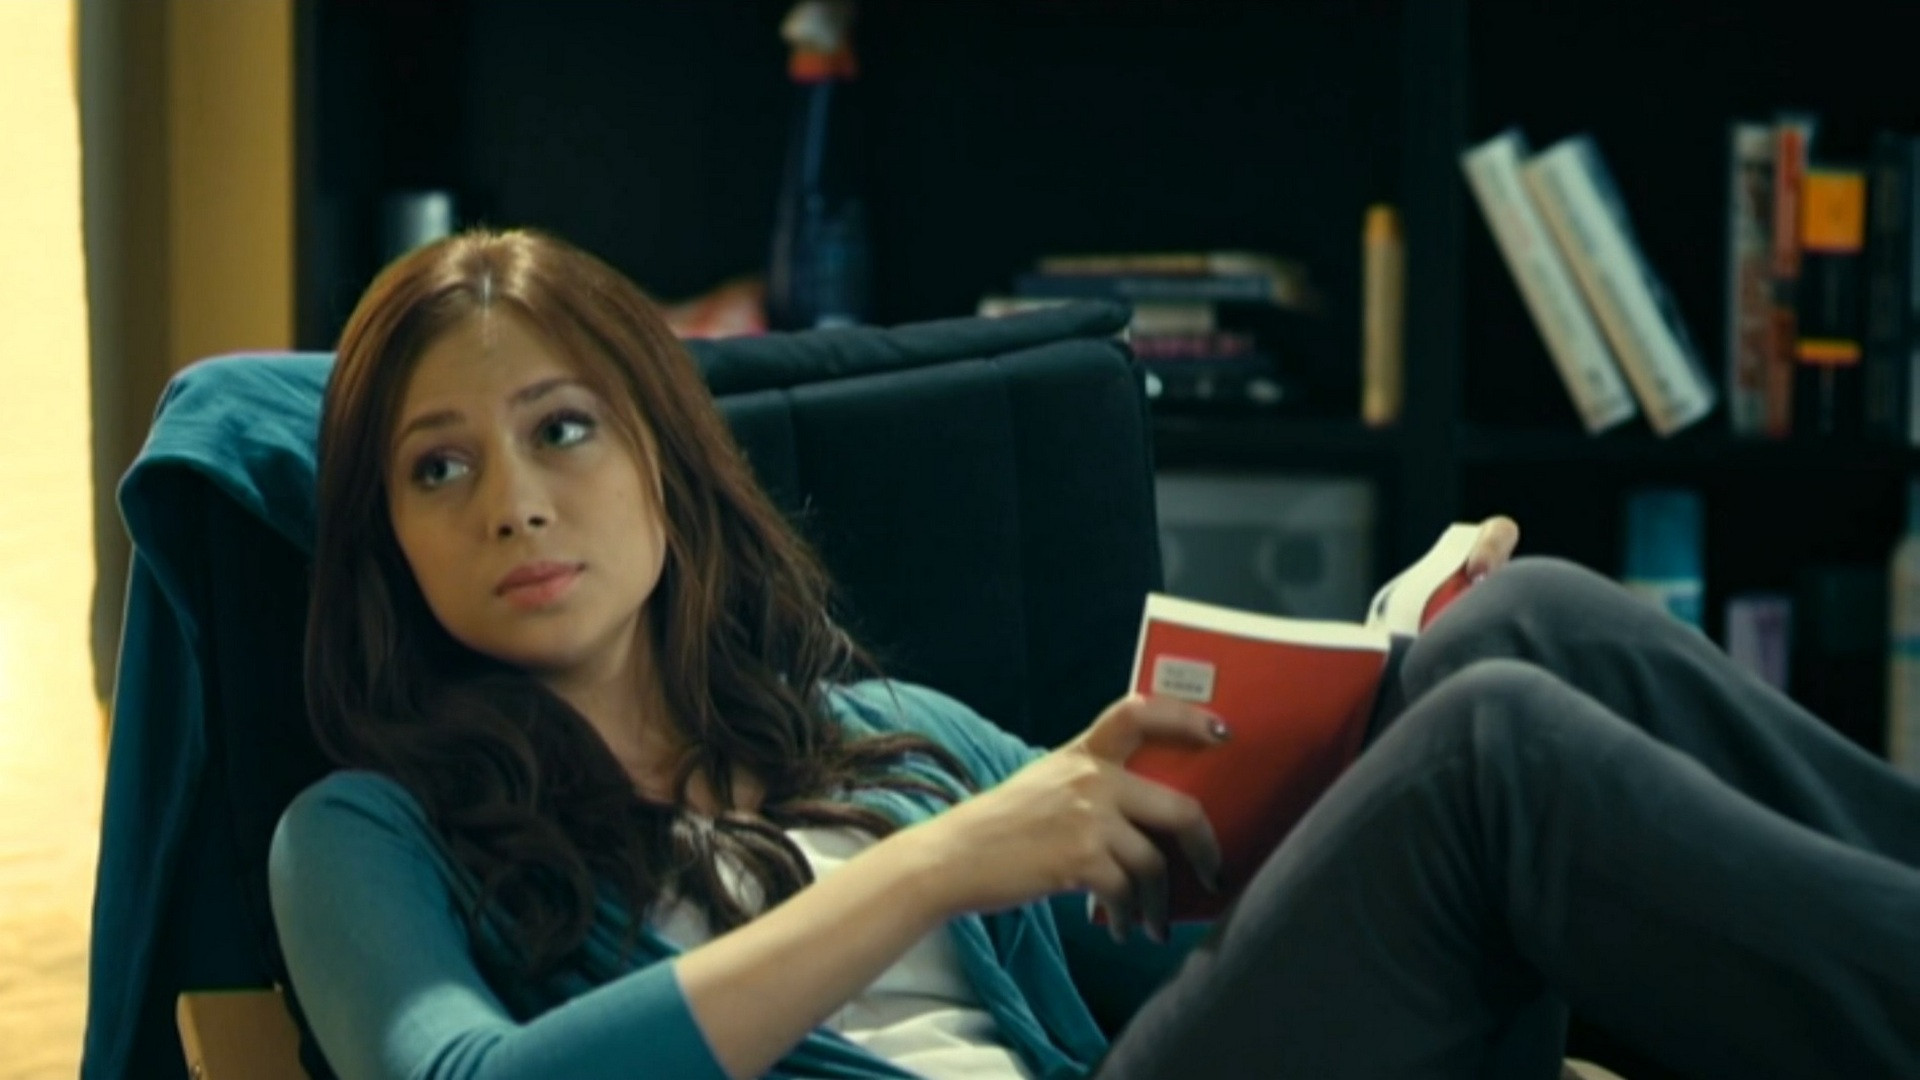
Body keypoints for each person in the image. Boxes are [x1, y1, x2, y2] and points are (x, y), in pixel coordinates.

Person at [270, 228, 1920, 1080]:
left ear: (663, 461)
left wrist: (1368, 679)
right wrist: (932, 870)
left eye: (562, 428)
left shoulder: (878, 735)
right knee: (1495, 749)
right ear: (388, 539)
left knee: (1515, 631)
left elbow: (1196, 933)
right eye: (439, 467)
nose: (514, 501)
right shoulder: (369, 832)